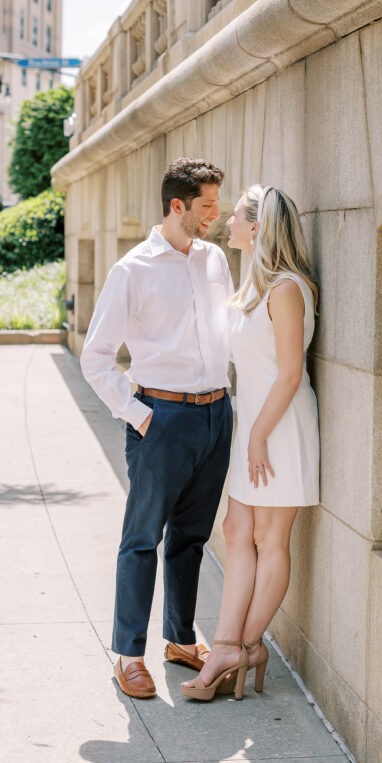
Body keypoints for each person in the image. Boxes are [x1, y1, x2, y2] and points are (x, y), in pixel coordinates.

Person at [80, 157, 234, 699]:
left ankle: (179, 638)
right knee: (142, 539)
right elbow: (96, 356)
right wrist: (139, 415)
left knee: (192, 538)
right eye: (207, 205)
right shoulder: (133, 270)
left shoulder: (215, 259)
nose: (216, 214)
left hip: (216, 414)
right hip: (161, 418)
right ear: (177, 205)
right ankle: (128, 655)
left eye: (217, 203)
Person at [182, 185, 319, 701]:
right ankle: (228, 645)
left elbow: (290, 374)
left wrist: (258, 436)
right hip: (254, 427)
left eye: (236, 215)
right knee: (237, 528)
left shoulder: (286, 289)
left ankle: (242, 647)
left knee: (270, 537)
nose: (227, 222)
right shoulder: (258, 288)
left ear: (258, 228)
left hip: (278, 428)